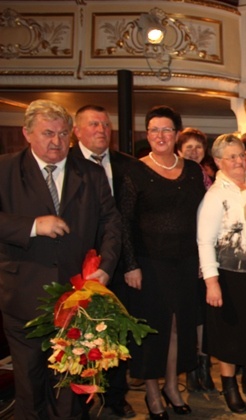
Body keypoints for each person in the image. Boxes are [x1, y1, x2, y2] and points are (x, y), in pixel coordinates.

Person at [0, 99, 121, 419]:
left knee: (70, 381)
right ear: (27, 134)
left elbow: (111, 223)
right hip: (23, 295)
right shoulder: (5, 169)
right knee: (29, 381)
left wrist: (106, 268)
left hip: (76, 297)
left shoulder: (91, 173)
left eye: (63, 134)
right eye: (47, 133)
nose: (56, 142)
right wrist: (32, 226)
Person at [120, 106, 206, 419]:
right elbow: (124, 221)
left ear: (177, 134)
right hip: (148, 263)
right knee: (152, 330)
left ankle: (172, 386)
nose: (160, 135)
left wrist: (202, 259)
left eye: (167, 130)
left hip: (184, 262)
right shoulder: (134, 171)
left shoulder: (193, 170)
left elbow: (202, 218)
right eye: (154, 130)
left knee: (177, 328)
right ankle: (153, 393)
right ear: (147, 134)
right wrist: (130, 265)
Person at [197, 134, 246, 414]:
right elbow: (204, 242)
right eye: (232, 157)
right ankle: (229, 385)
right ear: (218, 161)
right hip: (228, 275)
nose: (240, 161)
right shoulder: (216, 195)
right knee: (228, 335)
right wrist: (211, 283)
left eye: (242, 155)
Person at [71, 104, 136, 418]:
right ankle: (79, 398)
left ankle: (115, 396)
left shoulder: (127, 165)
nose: (101, 130)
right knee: (78, 335)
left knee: (116, 332)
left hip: (118, 264)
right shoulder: (65, 165)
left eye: (106, 125)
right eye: (93, 124)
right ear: (77, 131)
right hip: (75, 267)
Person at [175, 126, 216, 394]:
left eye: (198, 147)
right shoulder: (173, 174)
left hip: (203, 256)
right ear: (179, 149)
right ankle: (188, 368)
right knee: (184, 315)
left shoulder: (208, 178)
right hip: (178, 255)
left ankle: (203, 367)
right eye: (188, 147)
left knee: (203, 316)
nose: (193, 151)